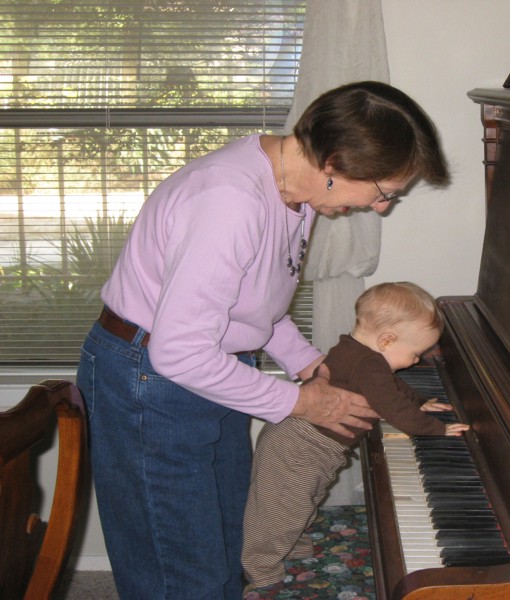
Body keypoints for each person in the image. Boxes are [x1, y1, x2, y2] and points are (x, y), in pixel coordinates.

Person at [76, 81, 449, 600]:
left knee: (229, 539)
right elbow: (179, 351)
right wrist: (299, 401)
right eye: (384, 192)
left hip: (215, 370)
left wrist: (308, 366)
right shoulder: (230, 201)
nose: (381, 208)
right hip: (151, 379)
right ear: (335, 164)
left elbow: (257, 308)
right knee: (182, 568)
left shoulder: (292, 191)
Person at [241, 282, 469, 591]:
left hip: (306, 443)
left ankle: (293, 547)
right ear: (387, 340)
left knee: (302, 500)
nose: (416, 361)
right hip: (300, 447)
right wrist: (437, 428)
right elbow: (394, 408)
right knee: (279, 510)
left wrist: (420, 400)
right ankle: (262, 574)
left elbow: (390, 387)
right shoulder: (370, 366)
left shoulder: (356, 350)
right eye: (415, 354)